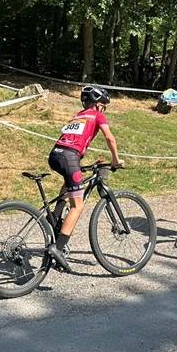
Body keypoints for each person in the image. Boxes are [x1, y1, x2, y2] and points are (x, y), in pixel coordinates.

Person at [45, 85, 122, 272]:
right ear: (97, 105)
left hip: (55, 155)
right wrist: (115, 160)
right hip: (69, 157)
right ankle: (59, 249)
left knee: (69, 184)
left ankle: (55, 219)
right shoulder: (97, 115)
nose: (104, 109)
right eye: (104, 105)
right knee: (77, 205)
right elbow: (110, 138)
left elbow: (74, 141)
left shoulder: (78, 115)